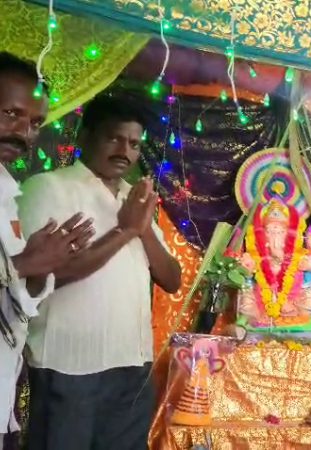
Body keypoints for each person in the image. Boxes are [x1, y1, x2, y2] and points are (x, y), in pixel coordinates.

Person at [18, 94, 182, 450]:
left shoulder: (134, 198)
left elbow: (172, 279)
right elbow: (40, 276)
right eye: (114, 138)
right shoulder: (48, 187)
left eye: (135, 144)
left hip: (133, 365)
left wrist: (140, 228)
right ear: (84, 136)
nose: (125, 150)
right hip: (69, 363)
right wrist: (123, 231)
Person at [0, 52, 94, 450]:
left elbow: (16, 293)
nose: (24, 132)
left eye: (35, 122)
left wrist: (39, 269)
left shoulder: (7, 190)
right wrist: (23, 264)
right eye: (10, 114)